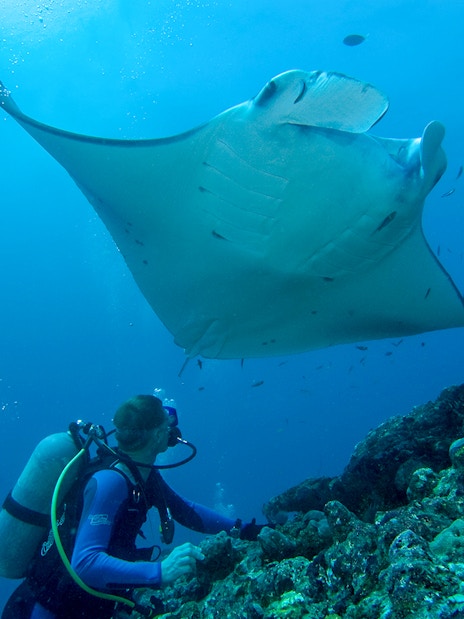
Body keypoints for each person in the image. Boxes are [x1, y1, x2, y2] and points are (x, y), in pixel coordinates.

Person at [2, 395, 265, 619]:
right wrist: (160, 571)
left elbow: (186, 510)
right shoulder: (111, 482)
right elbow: (85, 562)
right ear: (158, 433)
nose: (173, 429)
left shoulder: (141, 472)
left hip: (78, 608)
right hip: (46, 610)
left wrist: (245, 530)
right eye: (167, 422)